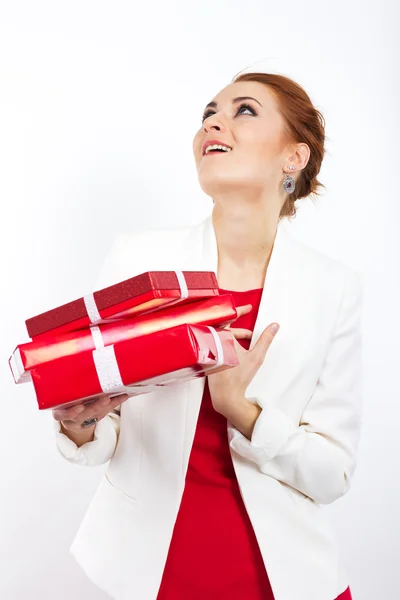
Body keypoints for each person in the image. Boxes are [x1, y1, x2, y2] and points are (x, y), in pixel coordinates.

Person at [52, 71, 363, 600]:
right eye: (208, 113)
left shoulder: (333, 288)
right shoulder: (137, 260)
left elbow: (332, 474)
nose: (214, 121)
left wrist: (241, 410)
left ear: (294, 157)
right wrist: (82, 422)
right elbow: (109, 428)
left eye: (244, 110)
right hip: (154, 567)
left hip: (283, 577)